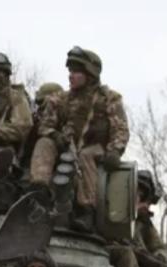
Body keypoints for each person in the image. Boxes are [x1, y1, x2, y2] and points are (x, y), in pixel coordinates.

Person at [29, 47, 130, 232]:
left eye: (76, 72)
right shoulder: (61, 99)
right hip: (67, 148)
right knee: (44, 143)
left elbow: (120, 129)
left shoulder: (109, 99)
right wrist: (55, 135)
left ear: (90, 74)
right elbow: (45, 125)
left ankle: (86, 210)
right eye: (70, 72)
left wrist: (115, 151)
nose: (71, 76)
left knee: (86, 155)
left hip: (96, 150)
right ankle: (39, 190)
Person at [20, 82, 64, 169]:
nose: (41, 105)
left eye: (41, 101)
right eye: (39, 102)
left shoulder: (59, 109)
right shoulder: (37, 114)